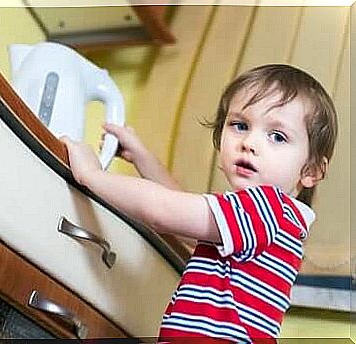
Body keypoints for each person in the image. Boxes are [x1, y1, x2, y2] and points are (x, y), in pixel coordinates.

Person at [60, 64, 338, 342]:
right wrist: (143, 158)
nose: (249, 143)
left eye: (277, 136)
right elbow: (186, 220)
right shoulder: (267, 217)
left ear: (311, 171)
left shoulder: (267, 209)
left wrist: (91, 175)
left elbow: (163, 212)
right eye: (240, 126)